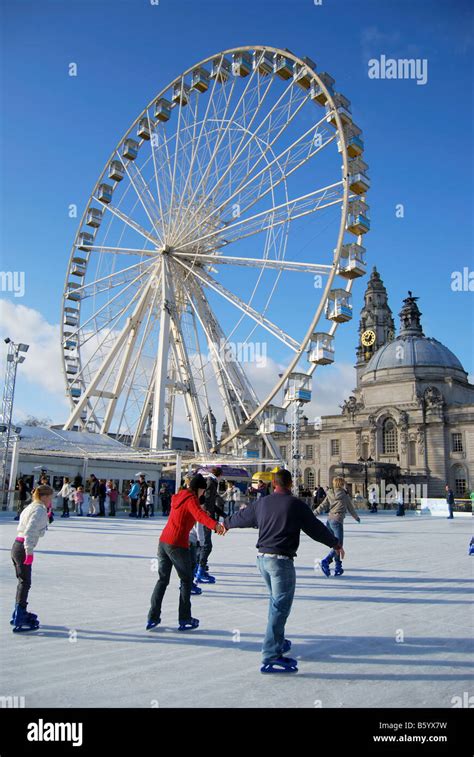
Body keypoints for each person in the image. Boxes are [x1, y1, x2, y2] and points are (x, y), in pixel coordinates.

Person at [223, 469, 344, 674]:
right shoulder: (295, 505)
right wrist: (335, 543)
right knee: (280, 608)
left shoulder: (262, 503)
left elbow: (242, 517)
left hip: (262, 560)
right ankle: (271, 654)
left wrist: (226, 523)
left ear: (274, 484)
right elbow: (315, 528)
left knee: (275, 603)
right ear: (290, 484)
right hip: (280, 562)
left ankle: (277, 641)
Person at [146, 474, 225, 631]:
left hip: (163, 542)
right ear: (199, 489)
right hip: (177, 544)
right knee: (186, 580)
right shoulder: (190, 499)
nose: (204, 493)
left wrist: (205, 514)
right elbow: (198, 515)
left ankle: (152, 617)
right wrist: (215, 525)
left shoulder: (180, 496)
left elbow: (194, 513)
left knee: (162, 580)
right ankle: (185, 618)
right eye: (203, 490)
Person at [10, 484, 53, 632]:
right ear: (44, 496)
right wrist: (29, 552)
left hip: (16, 545)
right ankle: (20, 614)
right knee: (25, 582)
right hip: (23, 548)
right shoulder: (39, 509)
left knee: (23, 581)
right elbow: (30, 530)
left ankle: (19, 611)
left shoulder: (32, 506)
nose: (50, 501)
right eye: (50, 497)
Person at [313, 476, 360, 577]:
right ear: (341, 484)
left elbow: (323, 505)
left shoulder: (330, 493)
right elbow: (350, 508)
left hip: (329, 521)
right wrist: (356, 517)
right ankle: (326, 561)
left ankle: (338, 567)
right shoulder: (344, 495)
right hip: (337, 521)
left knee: (336, 544)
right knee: (339, 545)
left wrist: (314, 513)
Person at [196, 467, 226, 584]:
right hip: (205, 518)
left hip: (207, 517)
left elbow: (211, 503)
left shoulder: (212, 482)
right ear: (220, 475)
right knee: (206, 545)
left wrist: (222, 514)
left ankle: (199, 567)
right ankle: (199, 570)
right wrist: (208, 516)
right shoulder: (210, 482)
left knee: (204, 544)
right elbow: (206, 501)